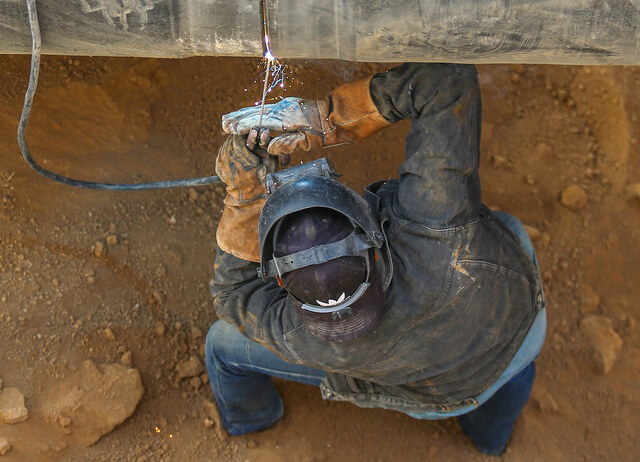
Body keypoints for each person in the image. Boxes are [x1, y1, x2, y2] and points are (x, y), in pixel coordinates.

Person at [206, 63, 545, 455]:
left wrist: (245, 199)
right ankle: (491, 439)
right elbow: (447, 82)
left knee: (221, 343)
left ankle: (251, 419)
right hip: (508, 343)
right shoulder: (436, 226)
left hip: (413, 394)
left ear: (280, 284)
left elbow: (233, 294)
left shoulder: (297, 334)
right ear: (373, 243)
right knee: (506, 234)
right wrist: (322, 120)